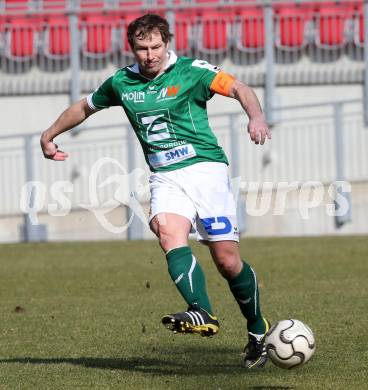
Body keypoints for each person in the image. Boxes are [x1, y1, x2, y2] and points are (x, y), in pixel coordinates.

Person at [40, 13, 272, 369]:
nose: (149, 55)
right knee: (167, 230)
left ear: (168, 43)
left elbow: (240, 88)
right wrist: (49, 134)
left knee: (226, 260)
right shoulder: (121, 82)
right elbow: (84, 107)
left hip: (205, 169)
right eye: (142, 48)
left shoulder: (193, 70)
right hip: (164, 175)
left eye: (155, 47)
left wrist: (255, 116)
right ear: (131, 48)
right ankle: (202, 312)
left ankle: (257, 330)